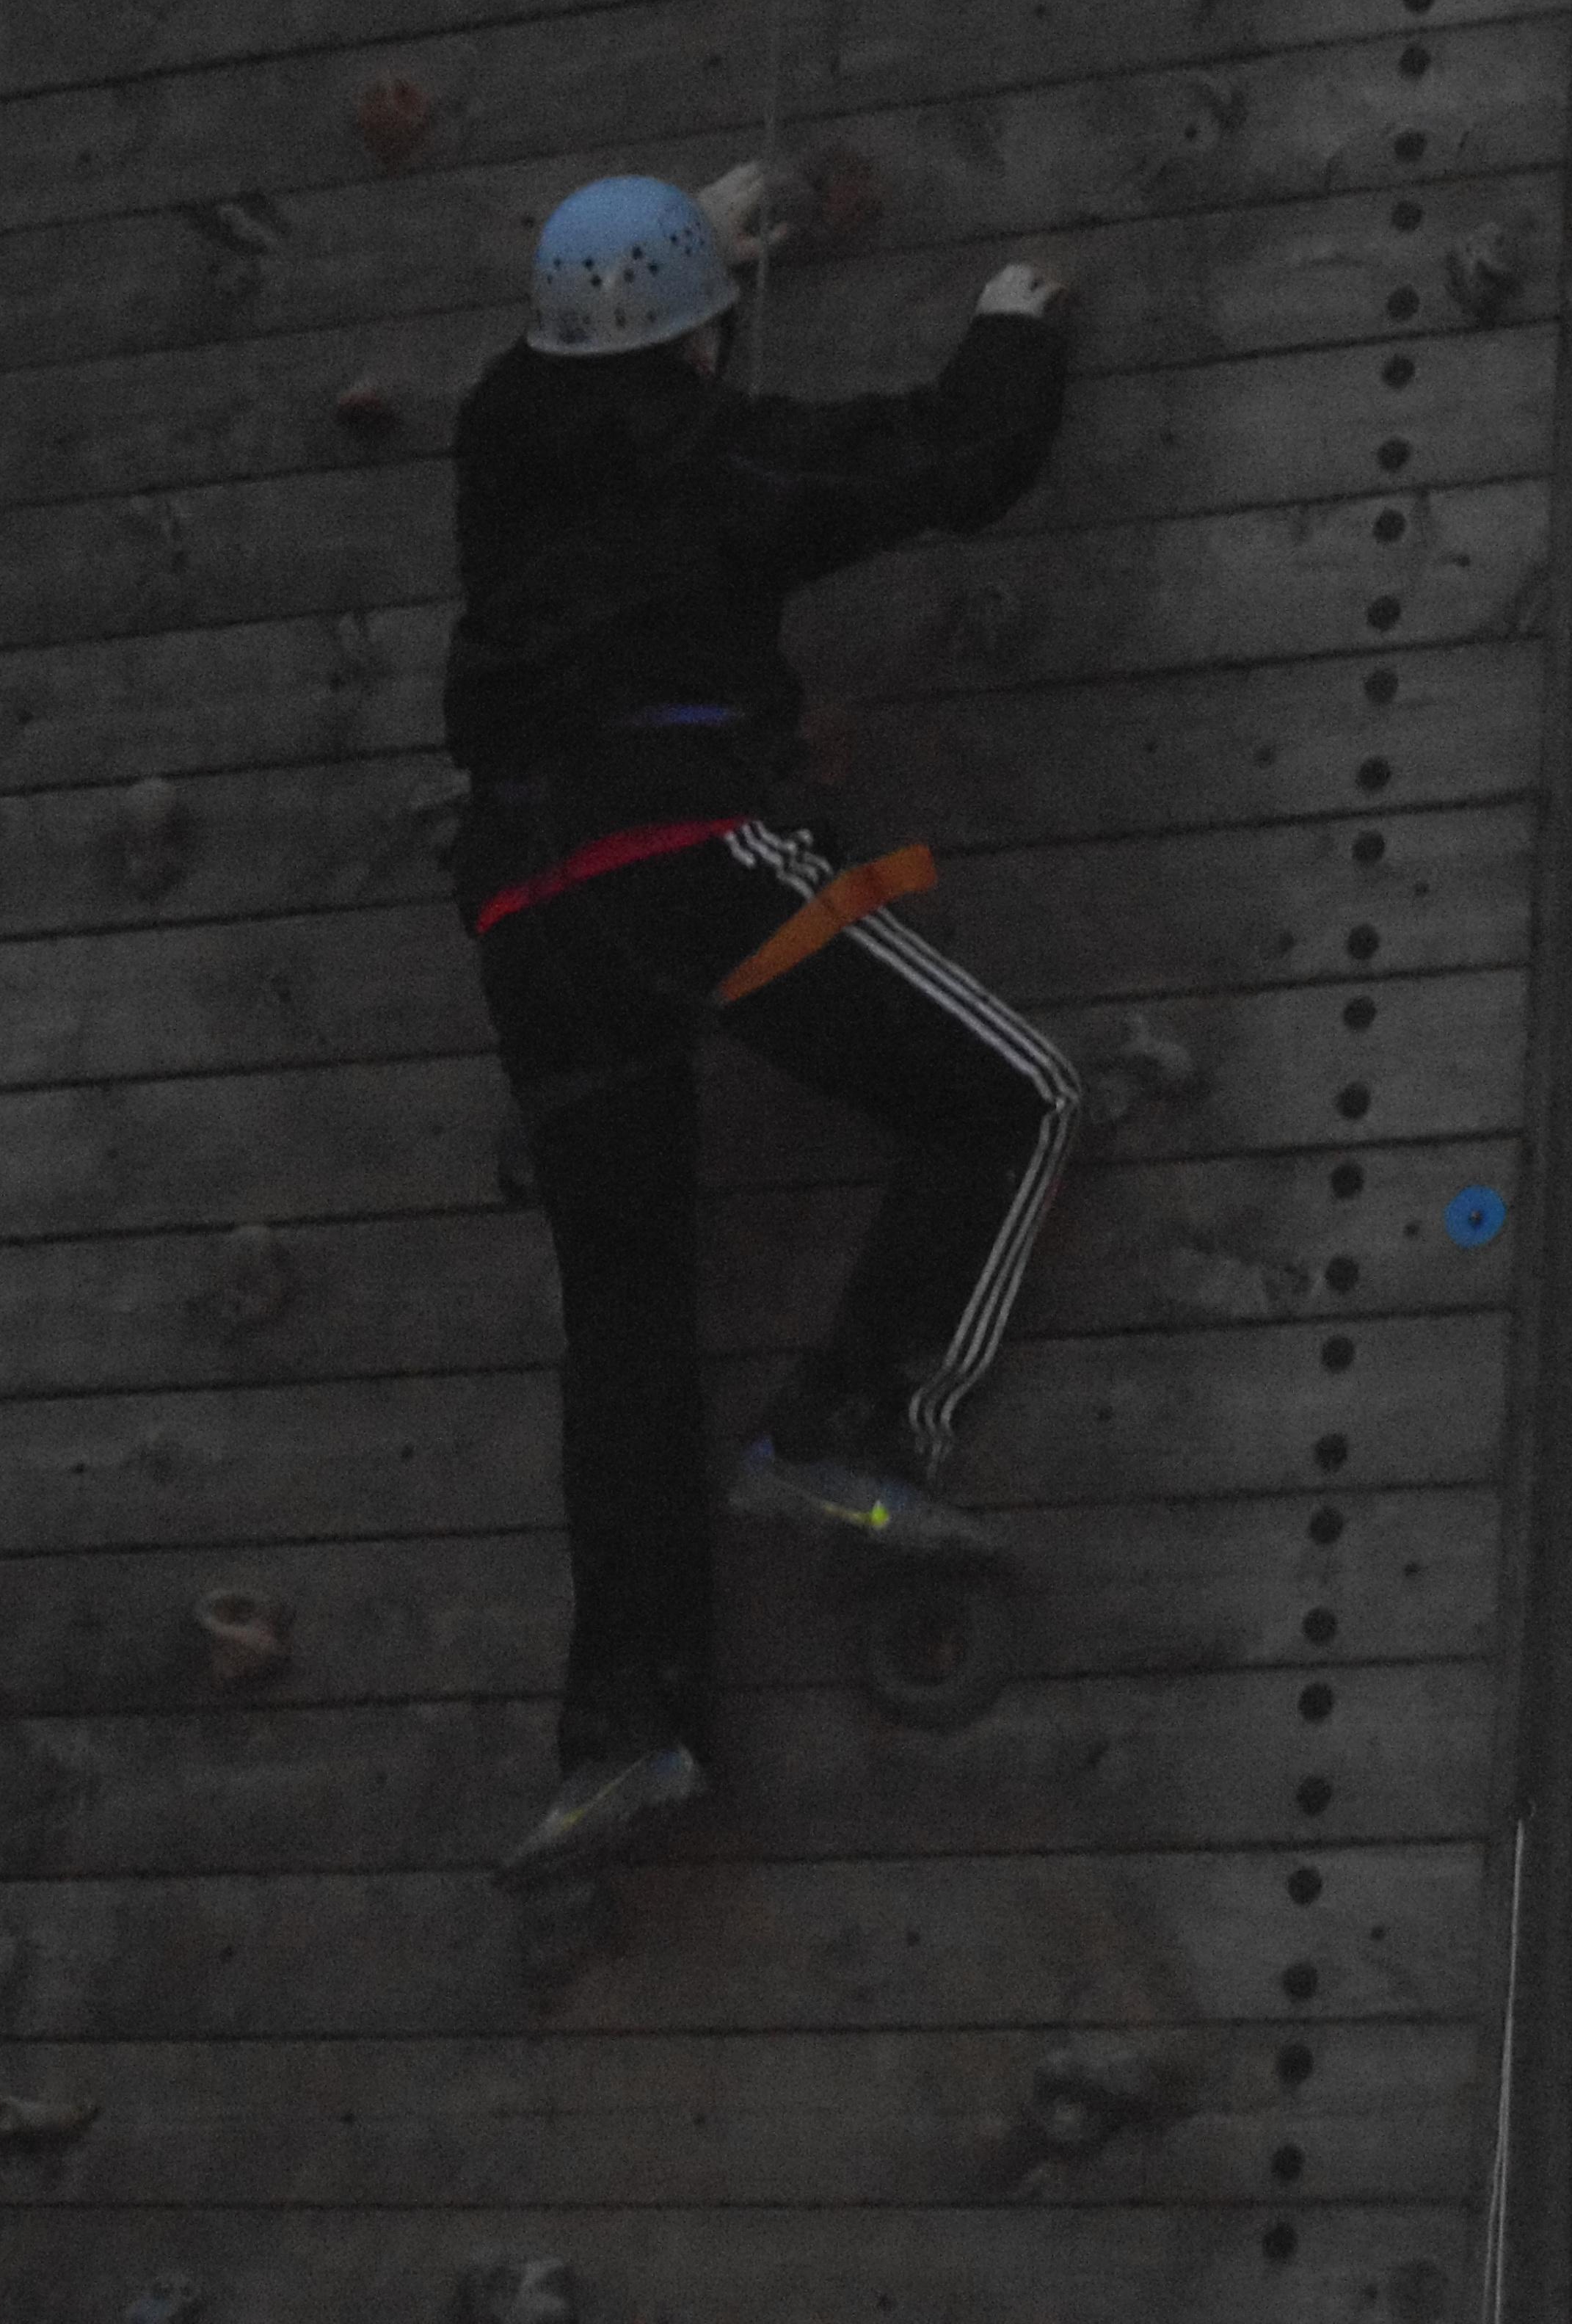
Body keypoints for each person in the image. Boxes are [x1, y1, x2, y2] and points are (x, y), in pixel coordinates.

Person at [445, 164, 1084, 1889]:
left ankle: (627, 1727)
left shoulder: (499, 447)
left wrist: (692, 238)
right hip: (680, 855)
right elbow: (953, 457)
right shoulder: (721, 461)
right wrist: (1016, 324)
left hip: (526, 915)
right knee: (1014, 1098)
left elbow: (551, 368)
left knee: (626, 1317)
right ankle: (847, 1423)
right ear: (701, 342)